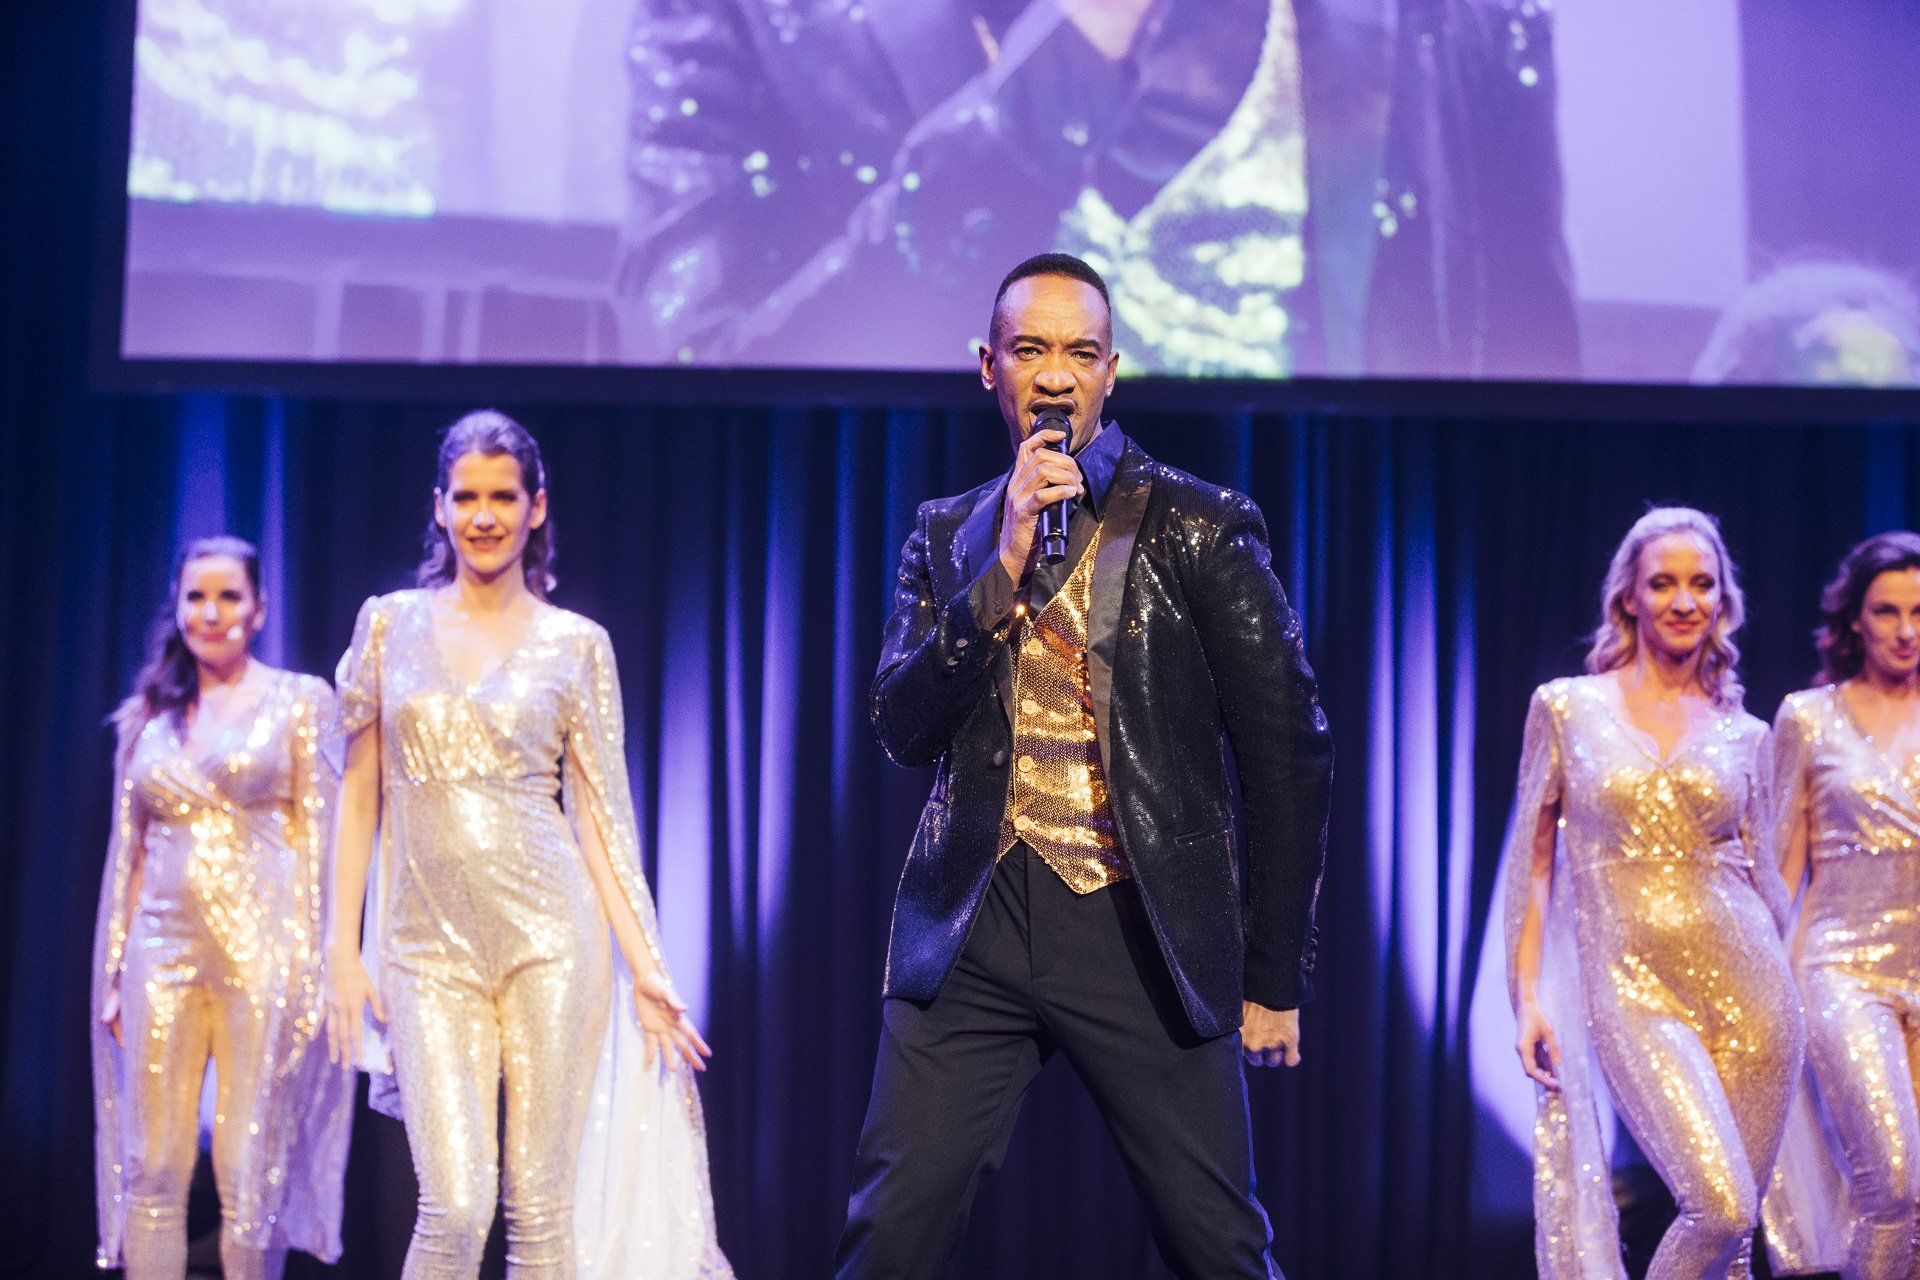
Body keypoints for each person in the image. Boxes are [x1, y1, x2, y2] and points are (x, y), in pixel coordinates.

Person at [836, 252, 1334, 1278]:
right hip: (975, 923)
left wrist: (1273, 972)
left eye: (1080, 352)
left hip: (1141, 925)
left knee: (1217, 1248)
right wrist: (1004, 563)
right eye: (1030, 350)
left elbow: (1289, 752)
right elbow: (901, 726)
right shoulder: (950, 534)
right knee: (889, 1236)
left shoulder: (1200, 525)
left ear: (1112, 371)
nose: (1055, 376)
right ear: (990, 367)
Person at [323, 411, 730, 1279]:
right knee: (454, 1205)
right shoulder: (389, 626)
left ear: (536, 506)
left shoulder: (576, 645)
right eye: (466, 497)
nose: (483, 516)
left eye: (502, 497)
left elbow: (602, 820)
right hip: (425, 949)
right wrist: (339, 948)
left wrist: (646, 966)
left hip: (552, 941)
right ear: (439, 506)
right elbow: (357, 796)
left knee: (541, 1211)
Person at [1503, 507, 1803, 1279]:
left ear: (1722, 601)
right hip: (1633, 990)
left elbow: (1769, 881)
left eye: (1702, 584)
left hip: (1756, 990)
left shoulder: (1749, 734)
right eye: (1663, 583)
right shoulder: (1568, 707)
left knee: (1735, 1249)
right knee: (1720, 1206)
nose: (1684, 600)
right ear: (1629, 597)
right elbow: (1532, 860)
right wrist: (1526, 995)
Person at [90, 535, 352, 1280]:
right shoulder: (148, 720)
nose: (211, 613)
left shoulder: (301, 701)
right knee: (151, 1167)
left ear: (259, 609)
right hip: (160, 953)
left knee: (249, 1174)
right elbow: (130, 856)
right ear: (177, 609)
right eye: (196, 597)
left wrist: (319, 961)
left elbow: (322, 841)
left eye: (229, 596)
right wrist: (115, 970)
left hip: (263, 957)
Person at [1767, 531, 1920, 1279]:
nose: (1906, 630)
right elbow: (1779, 872)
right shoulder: (1808, 718)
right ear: (1855, 617)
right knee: (1893, 1180)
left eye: (1919, 612)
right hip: (1842, 971)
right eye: (1887, 610)